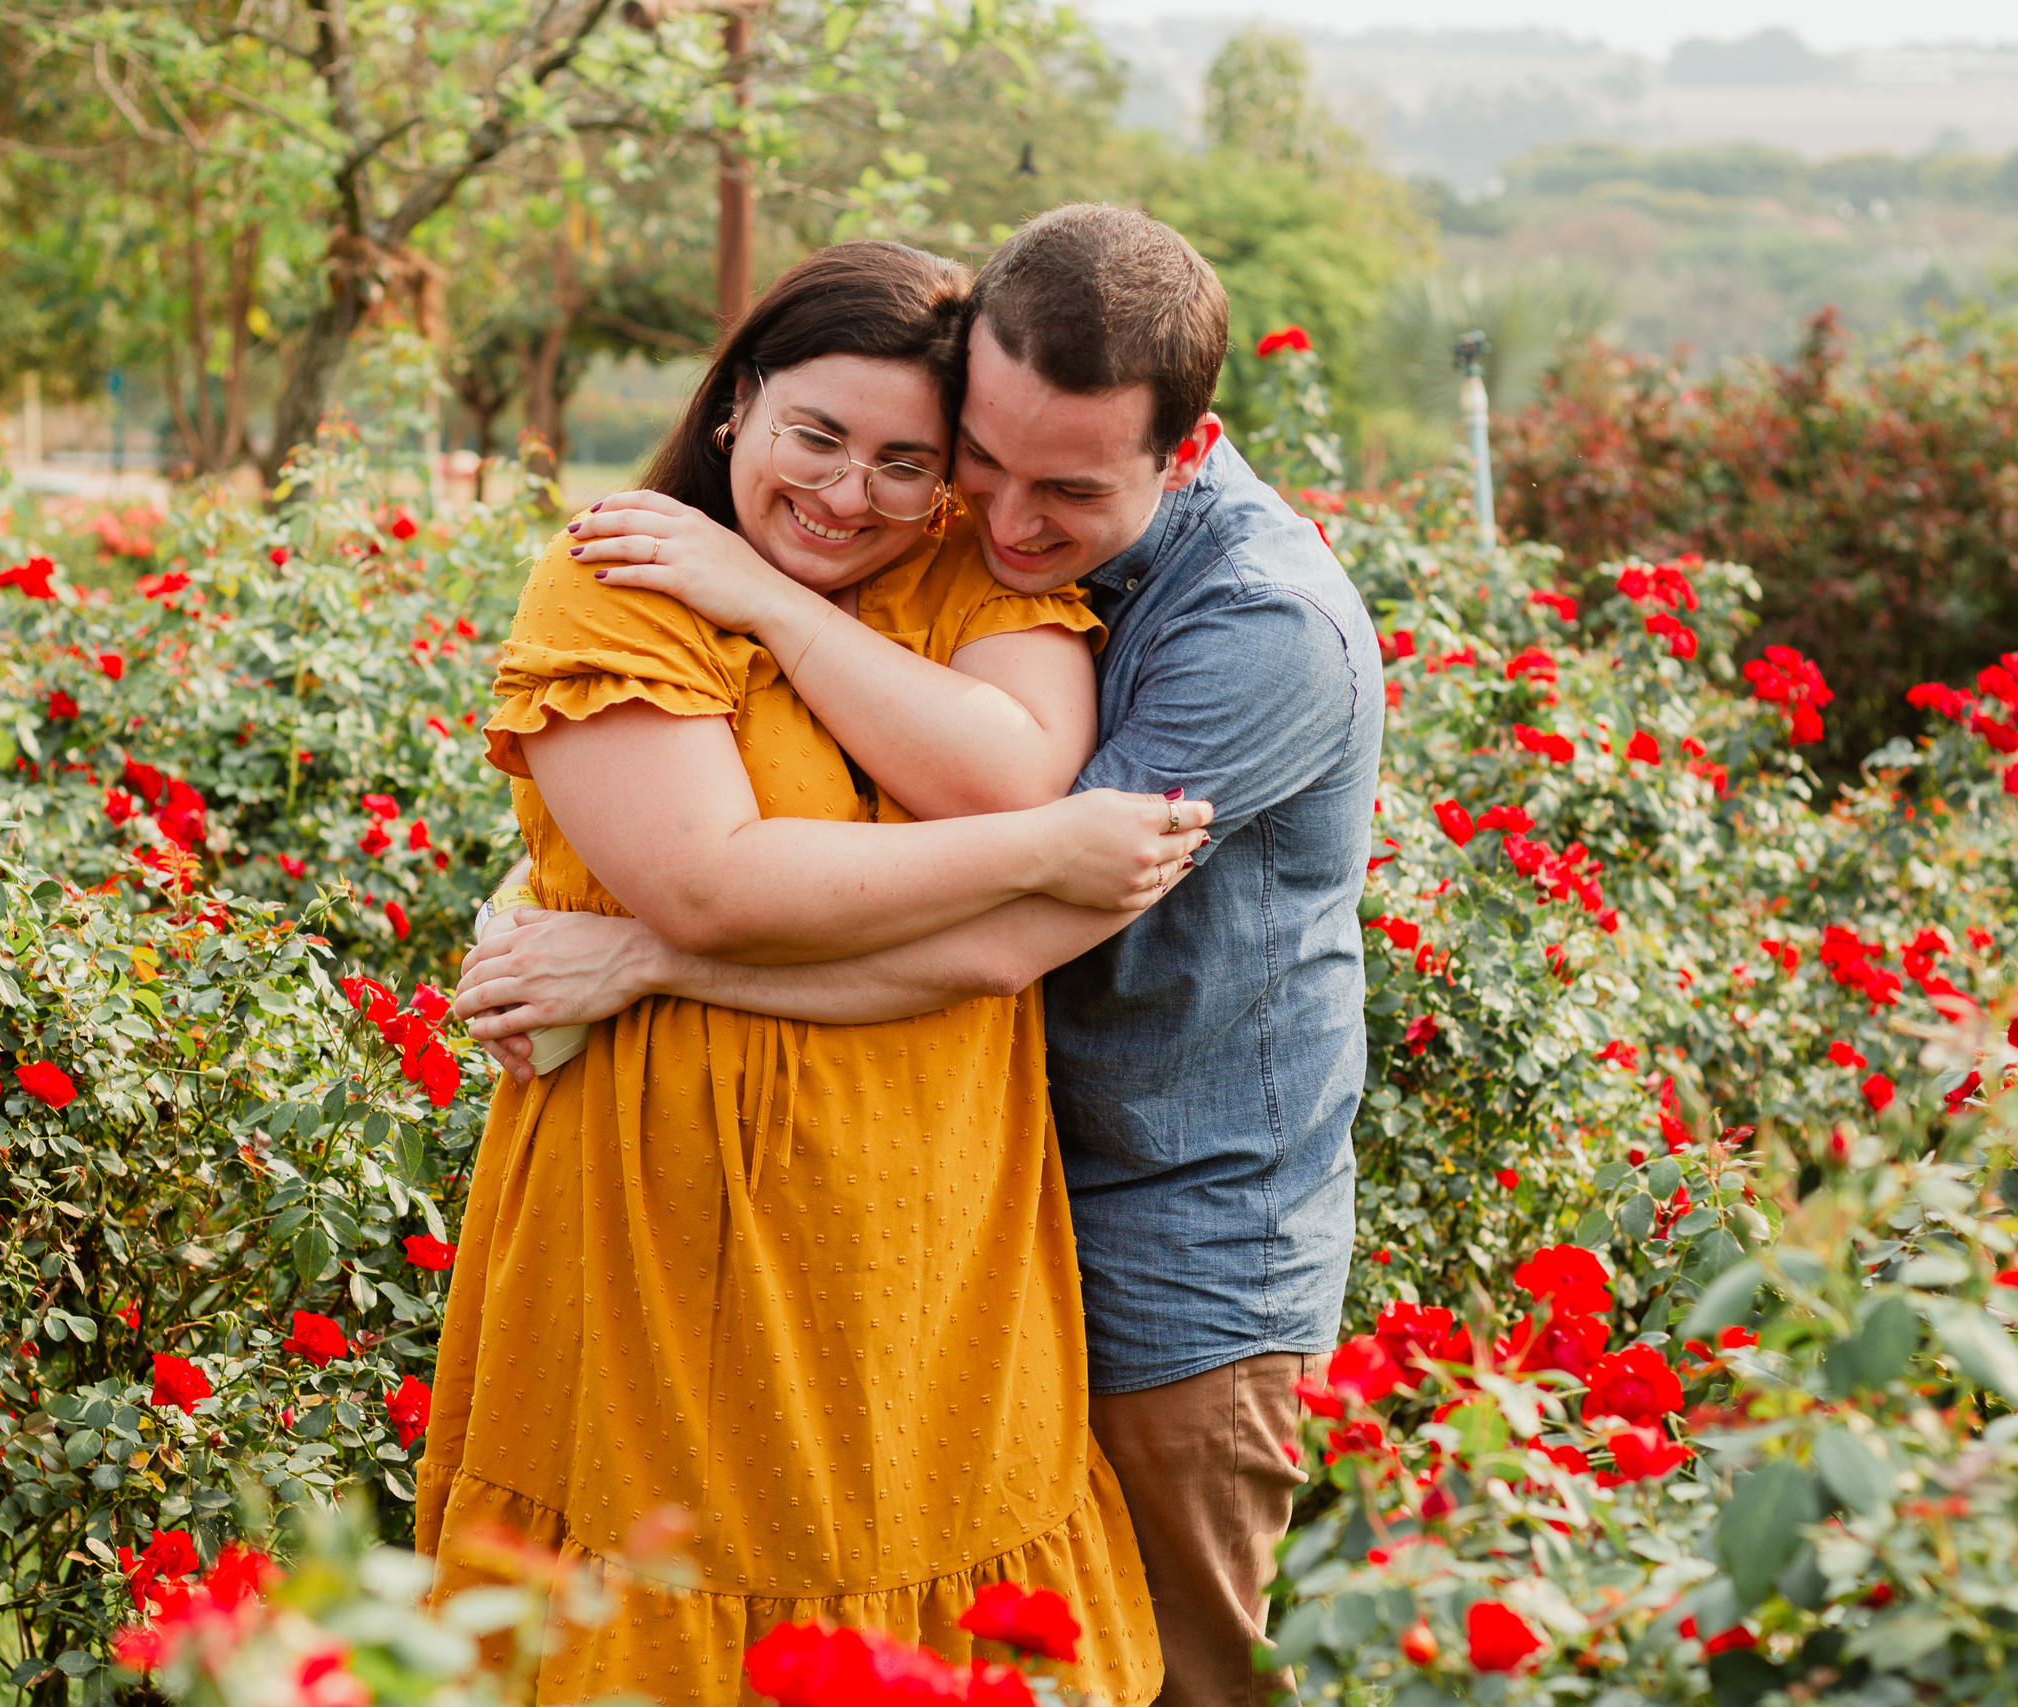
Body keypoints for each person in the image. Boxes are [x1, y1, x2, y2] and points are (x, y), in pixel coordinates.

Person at [458, 205, 1386, 1706]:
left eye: (1058, 488)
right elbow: (713, 869)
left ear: (1185, 451)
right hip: (865, 1226)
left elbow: (1002, 931)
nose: (1002, 519)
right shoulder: (712, 570)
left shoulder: (1256, 631)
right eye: (981, 459)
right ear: (735, 402)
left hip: (1164, 1239)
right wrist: (627, 907)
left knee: (1155, 1673)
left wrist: (635, 959)